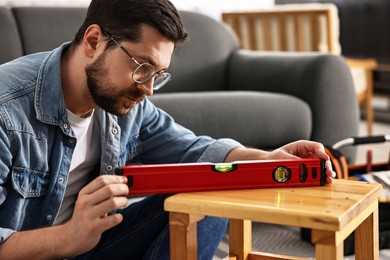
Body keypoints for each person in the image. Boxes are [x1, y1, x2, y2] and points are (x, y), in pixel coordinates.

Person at [0, 0, 334, 259]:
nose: (148, 90)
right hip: (43, 247)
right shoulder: (6, 111)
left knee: (210, 188)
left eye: (158, 74)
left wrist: (269, 158)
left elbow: (198, 151)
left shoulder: (126, 106)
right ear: (93, 41)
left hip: (86, 248)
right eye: (142, 68)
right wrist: (68, 237)